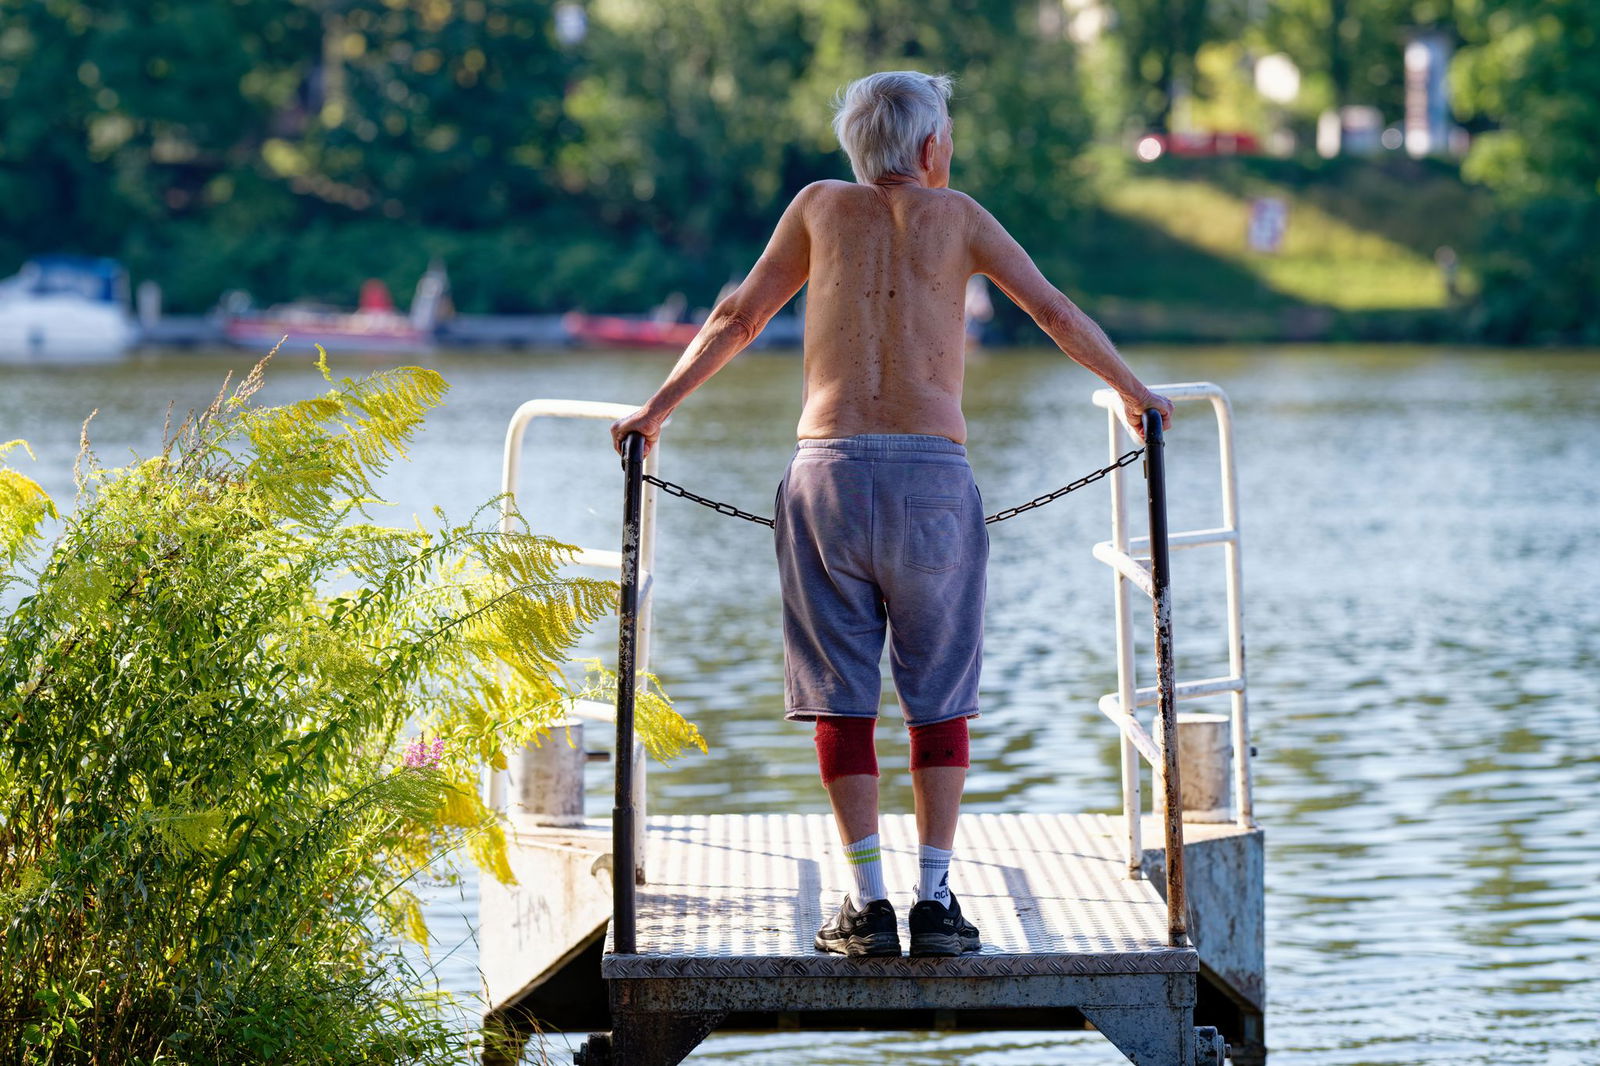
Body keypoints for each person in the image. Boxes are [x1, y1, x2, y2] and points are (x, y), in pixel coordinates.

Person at [611, 70, 1172, 959]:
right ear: (929, 148)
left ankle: (867, 903)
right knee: (938, 694)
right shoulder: (963, 219)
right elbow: (1054, 312)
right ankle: (936, 903)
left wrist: (657, 409)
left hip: (825, 474)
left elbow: (739, 316)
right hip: (931, 480)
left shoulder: (817, 208)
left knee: (841, 695)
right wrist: (1132, 391)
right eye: (946, 134)